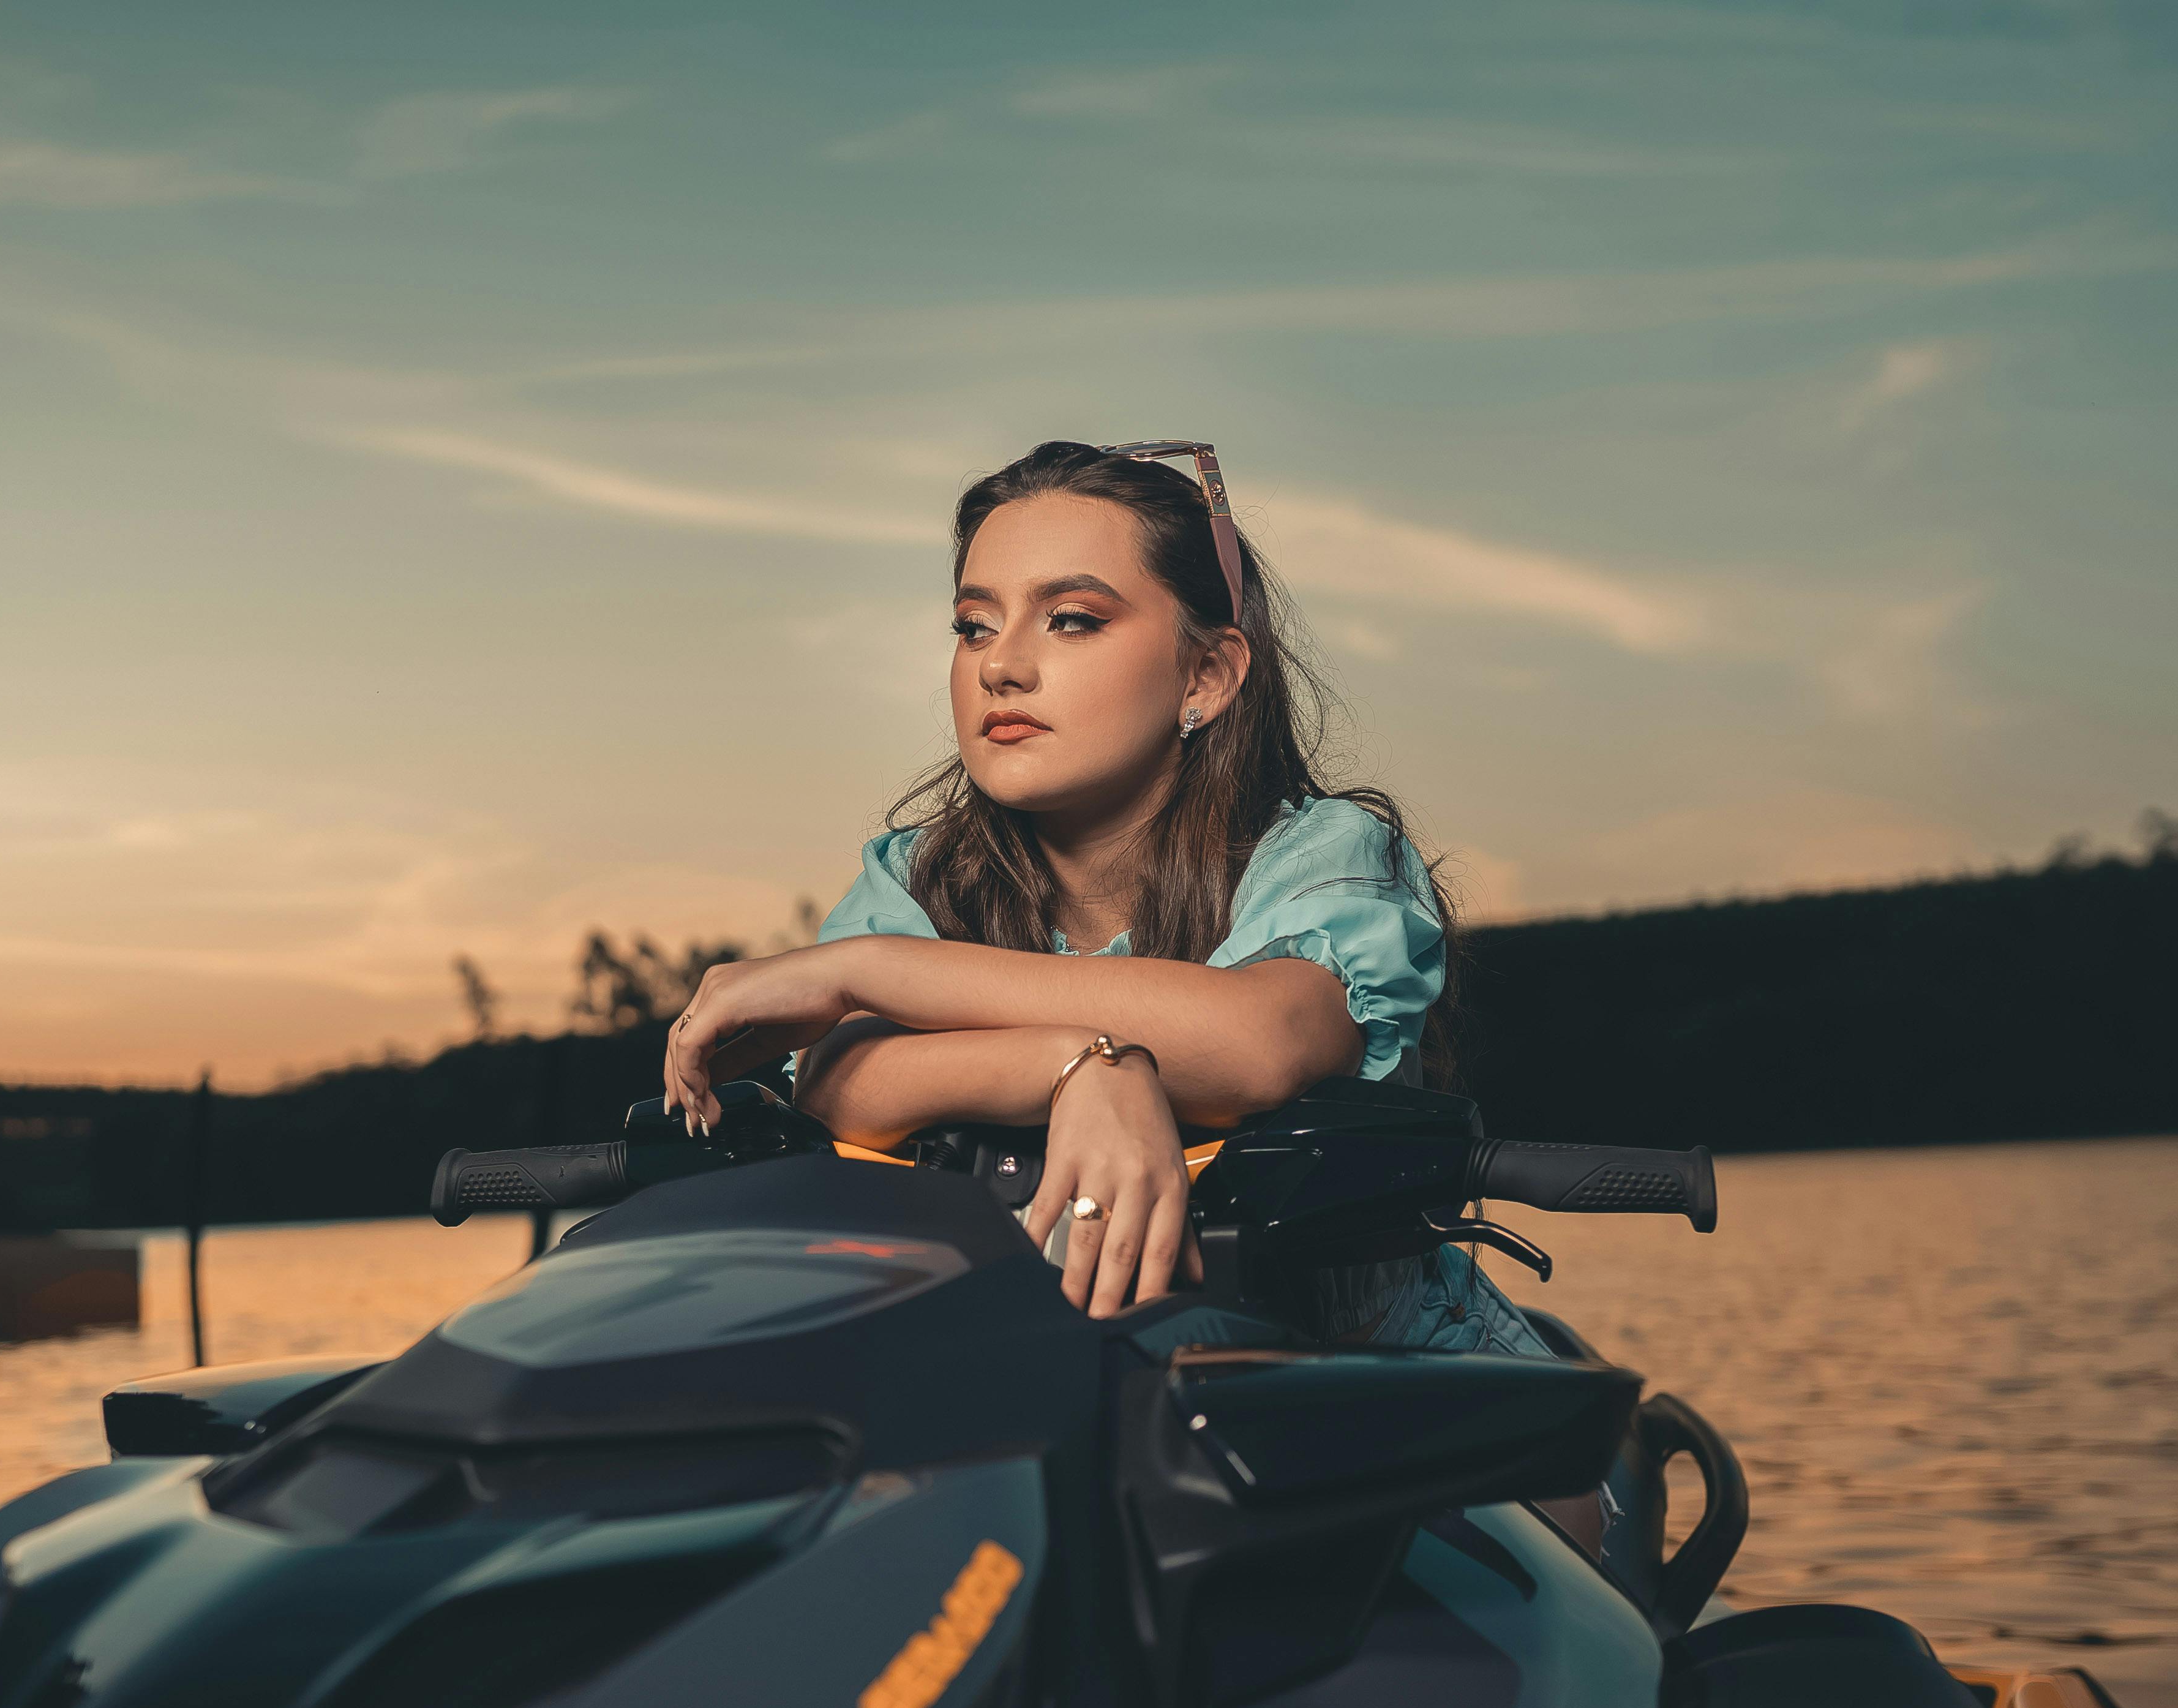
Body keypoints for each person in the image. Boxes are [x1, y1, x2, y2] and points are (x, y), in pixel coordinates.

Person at [658, 437, 1547, 1353]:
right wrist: (1080, 1065)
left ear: (1206, 676)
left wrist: (866, 969)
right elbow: (843, 1084)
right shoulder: (921, 870)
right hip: (1060, 1378)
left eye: (1072, 619)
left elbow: (1259, 1042)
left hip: (1378, 1384)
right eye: (974, 625)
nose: (1000, 666)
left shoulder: (1326, 854)